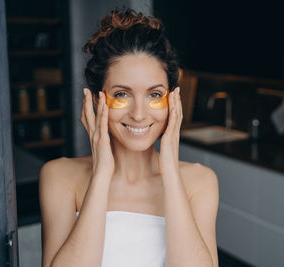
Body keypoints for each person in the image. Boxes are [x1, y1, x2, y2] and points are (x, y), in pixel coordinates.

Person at [39, 7, 219, 267]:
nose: (138, 114)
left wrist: (170, 169)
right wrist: (101, 174)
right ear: (97, 99)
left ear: (172, 100)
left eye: (154, 95)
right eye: (122, 94)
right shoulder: (59, 176)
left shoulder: (199, 182)